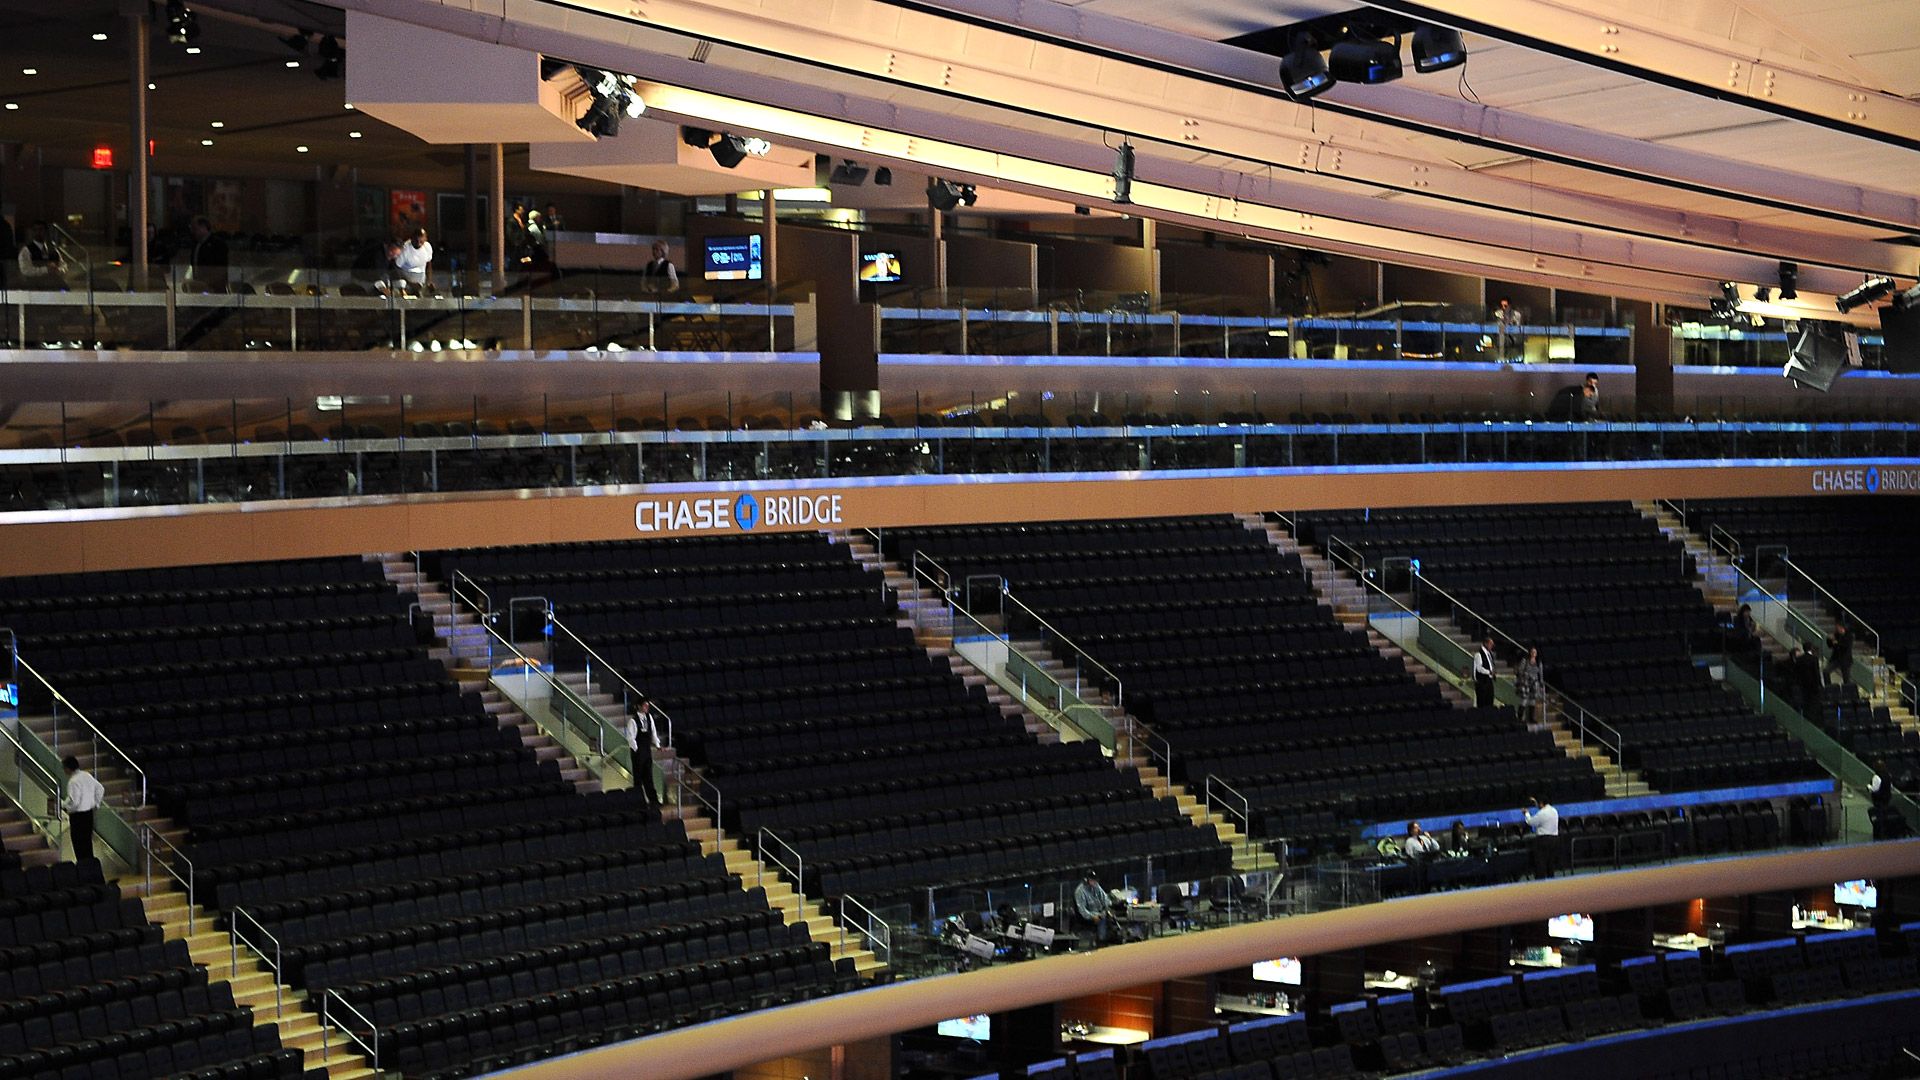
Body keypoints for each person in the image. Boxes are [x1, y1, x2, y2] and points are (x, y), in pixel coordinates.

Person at [61, 756, 105, 864]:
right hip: (88, 814)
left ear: (67, 768)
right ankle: (90, 867)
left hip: (77, 817)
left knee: (79, 845)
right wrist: (96, 803)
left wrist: (66, 807)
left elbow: (74, 802)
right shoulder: (86, 775)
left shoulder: (73, 781)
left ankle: (83, 869)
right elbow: (100, 788)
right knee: (87, 844)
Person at [186, 216, 229, 290]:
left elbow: (221, 268)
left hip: (215, 285)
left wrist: (209, 281)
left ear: (203, 227)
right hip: (198, 283)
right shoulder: (196, 244)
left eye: (195, 228)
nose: (192, 232)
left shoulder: (218, 244)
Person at [1524, 796, 1560, 877]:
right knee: (1550, 863)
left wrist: (1526, 813)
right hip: (1554, 839)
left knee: (1540, 862)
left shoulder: (1542, 813)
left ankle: (1541, 882)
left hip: (1543, 840)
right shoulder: (1554, 810)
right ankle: (1552, 880)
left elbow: (1531, 822)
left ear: (1541, 803)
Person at [1073, 871, 1112, 946]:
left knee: (1110, 917)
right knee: (1102, 920)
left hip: (1100, 913)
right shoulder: (1080, 892)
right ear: (1086, 880)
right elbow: (1082, 911)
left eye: (1095, 880)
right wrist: (1094, 916)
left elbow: (1105, 898)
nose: (1095, 882)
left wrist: (1107, 907)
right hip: (1088, 917)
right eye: (1092, 880)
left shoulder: (1096, 886)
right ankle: (1102, 942)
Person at [1515, 646, 1546, 724]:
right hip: (1525, 682)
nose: (1533, 654)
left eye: (1535, 652)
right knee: (1524, 700)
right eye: (1532, 652)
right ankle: (1520, 718)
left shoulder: (1538, 662)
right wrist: (1526, 675)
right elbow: (1520, 670)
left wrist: (1541, 683)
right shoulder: (1525, 660)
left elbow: (1540, 674)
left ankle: (1531, 718)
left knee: (1532, 701)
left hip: (1534, 683)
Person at [1492, 296, 1523, 361]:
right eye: (1501, 305)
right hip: (1501, 336)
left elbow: (1518, 326)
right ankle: (1501, 358)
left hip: (1513, 336)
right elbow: (1498, 324)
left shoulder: (1516, 314)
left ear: (1509, 306)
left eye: (1505, 306)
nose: (1503, 308)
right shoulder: (1498, 313)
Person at [1471, 636, 1498, 709]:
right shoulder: (1478, 655)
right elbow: (1479, 668)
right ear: (1485, 644)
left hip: (1489, 681)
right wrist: (1489, 672)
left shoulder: (1489, 654)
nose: (1492, 646)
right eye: (1490, 644)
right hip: (1482, 682)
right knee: (1482, 702)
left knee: (1489, 700)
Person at [1827, 620, 1854, 687]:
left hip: (1845, 659)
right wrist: (1829, 639)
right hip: (1836, 658)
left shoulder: (1849, 636)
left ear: (1842, 627)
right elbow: (1830, 646)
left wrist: (1837, 643)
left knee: (1846, 678)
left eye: (1838, 627)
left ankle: (1848, 691)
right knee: (1826, 671)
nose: (1837, 629)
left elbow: (1845, 646)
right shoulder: (1836, 635)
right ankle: (1828, 686)